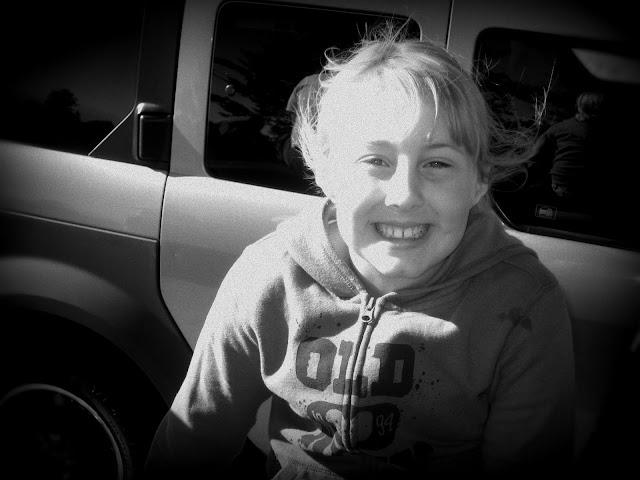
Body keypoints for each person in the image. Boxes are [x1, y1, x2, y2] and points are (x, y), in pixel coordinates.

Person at [145, 24, 575, 479]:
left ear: (479, 182)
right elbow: (194, 435)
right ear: (326, 173)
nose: (404, 195)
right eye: (375, 160)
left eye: (437, 162)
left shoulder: (523, 304)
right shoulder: (270, 274)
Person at [528, 91, 604, 203]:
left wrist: (527, 162)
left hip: (559, 183)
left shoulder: (561, 126)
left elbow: (536, 151)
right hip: (583, 186)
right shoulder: (599, 130)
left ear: (578, 106)